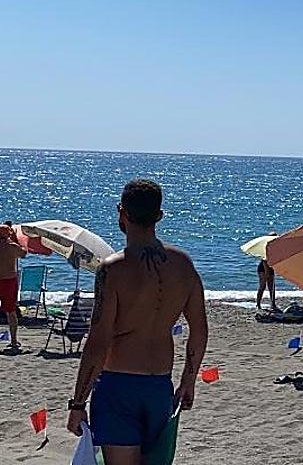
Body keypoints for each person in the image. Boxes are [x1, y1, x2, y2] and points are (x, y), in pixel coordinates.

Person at [67, 178, 208, 465]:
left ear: (122, 212)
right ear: (159, 216)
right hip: (159, 386)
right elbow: (199, 329)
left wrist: (78, 403)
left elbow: (98, 341)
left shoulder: (113, 270)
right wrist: (188, 381)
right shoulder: (183, 265)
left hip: (118, 387)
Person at [0, 224, 26, 351]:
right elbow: (23, 253)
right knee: (11, 313)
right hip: (9, 282)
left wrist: (0, 238)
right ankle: (13, 341)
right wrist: (15, 240)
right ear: (9, 234)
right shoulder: (13, 247)